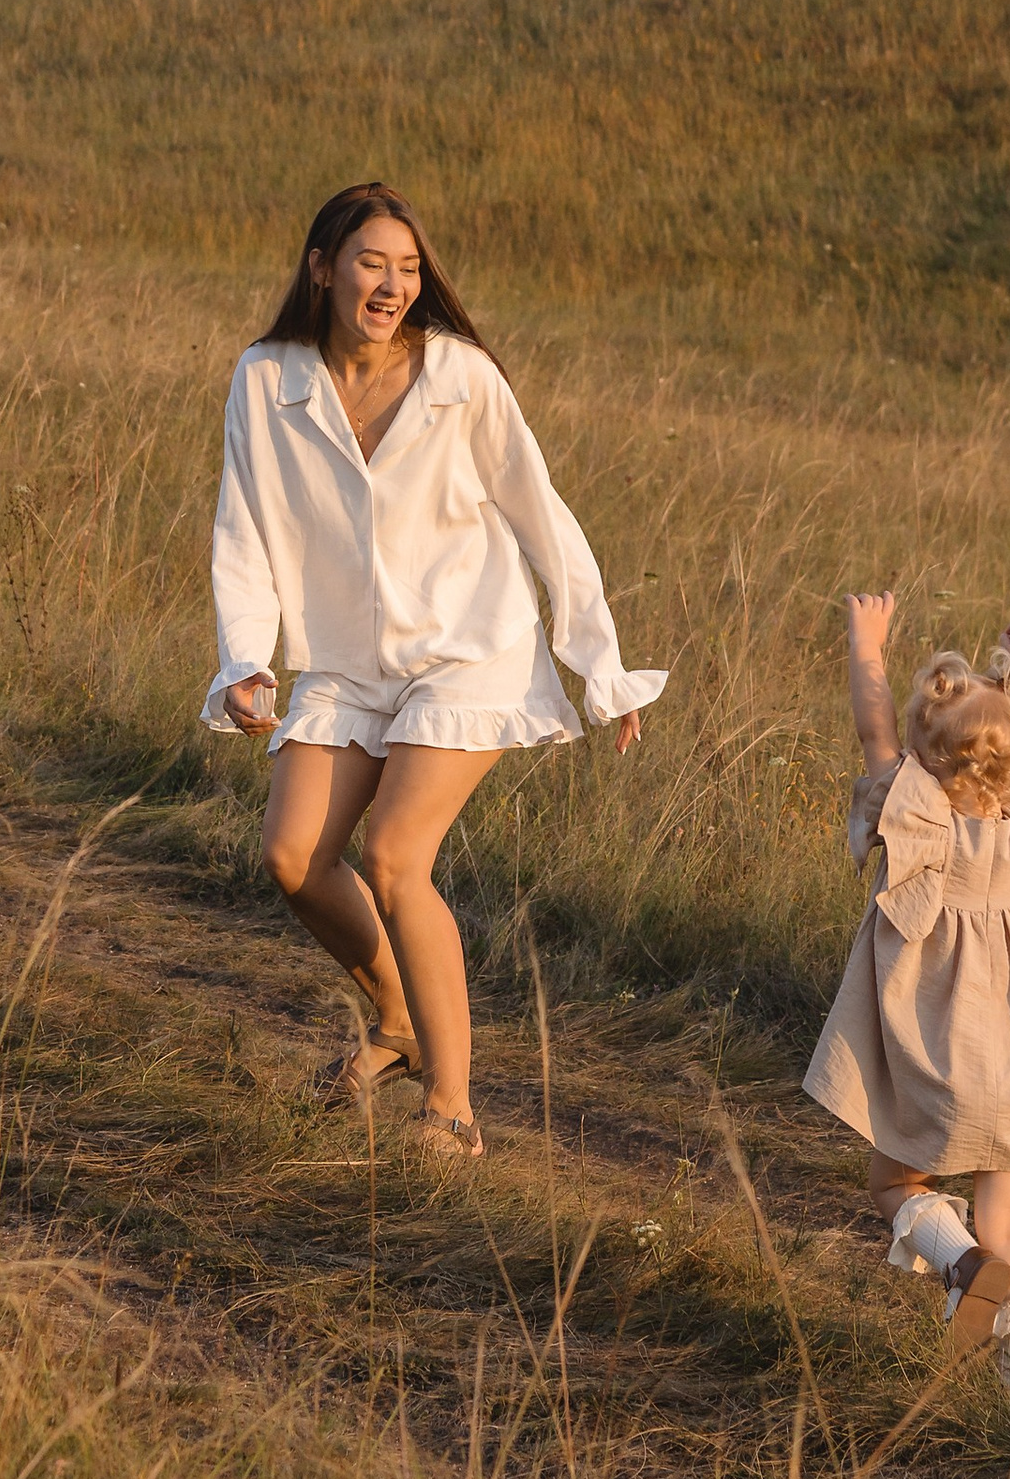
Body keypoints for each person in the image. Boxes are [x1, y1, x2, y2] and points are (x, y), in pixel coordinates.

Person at [204, 180, 666, 1160]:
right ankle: (398, 1020)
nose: (392, 285)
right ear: (322, 268)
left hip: (468, 646)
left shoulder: (460, 376)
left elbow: (541, 513)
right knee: (291, 857)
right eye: (371, 263)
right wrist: (245, 660)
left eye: (408, 268)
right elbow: (242, 528)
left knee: (394, 857)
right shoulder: (266, 377)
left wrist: (601, 664)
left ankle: (450, 1108)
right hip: (345, 660)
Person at [801, 591, 1010, 1394]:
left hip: (938, 1069)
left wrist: (866, 644)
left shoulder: (916, 815)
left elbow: (872, 730)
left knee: (896, 1184)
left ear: (922, 752)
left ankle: (961, 1264)